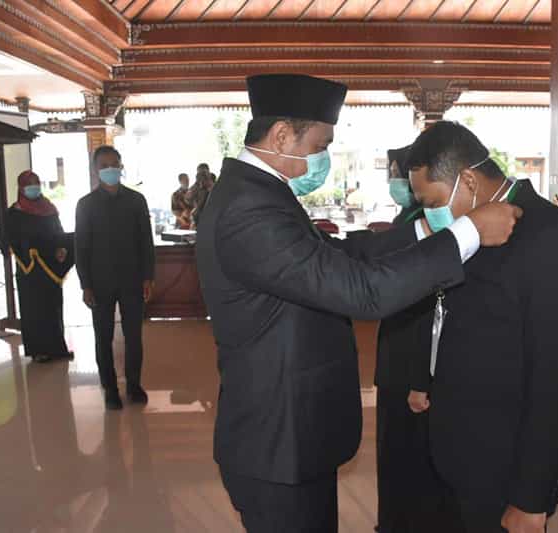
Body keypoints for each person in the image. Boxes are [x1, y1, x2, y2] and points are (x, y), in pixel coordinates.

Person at [196, 74, 522, 533]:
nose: (323, 157)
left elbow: (338, 257)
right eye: (320, 144)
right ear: (282, 136)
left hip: (295, 434)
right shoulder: (248, 209)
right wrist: (466, 233)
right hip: (277, 442)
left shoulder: (261, 194)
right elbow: (362, 291)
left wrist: (424, 230)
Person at [406, 121, 558, 533]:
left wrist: (530, 497)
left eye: (433, 203)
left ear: (468, 181)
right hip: (460, 449)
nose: (430, 215)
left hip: (505, 467)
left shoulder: (552, 240)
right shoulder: (471, 229)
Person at [376, 145, 460, 533]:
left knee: (410, 458)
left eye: (399, 174)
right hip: (396, 359)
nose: (395, 181)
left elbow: (428, 305)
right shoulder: (409, 219)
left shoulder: (431, 223)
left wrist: (418, 379)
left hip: (411, 367)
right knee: (394, 455)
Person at [75, 146, 156, 410]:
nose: (110, 169)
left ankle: (134, 385)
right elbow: (81, 247)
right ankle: (110, 388)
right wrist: (85, 285)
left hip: (132, 280)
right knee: (103, 337)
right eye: (104, 165)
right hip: (100, 283)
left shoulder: (136, 200)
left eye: (115, 164)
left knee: (134, 337)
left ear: (121, 167)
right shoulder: (85, 205)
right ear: (95, 170)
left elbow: (146, 242)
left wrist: (148, 276)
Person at [6, 170, 75, 363]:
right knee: (34, 310)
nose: (33, 187)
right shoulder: (14, 213)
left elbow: (58, 232)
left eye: (36, 182)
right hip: (30, 269)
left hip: (50, 268)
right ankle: (38, 350)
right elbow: (12, 239)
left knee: (53, 308)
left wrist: (62, 247)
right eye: (29, 183)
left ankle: (57, 348)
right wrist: (30, 250)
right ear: (21, 188)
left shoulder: (49, 209)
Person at [188, 163, 216, 228]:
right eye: (200, 173)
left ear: (208, 172)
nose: (202, 175)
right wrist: (198, 183)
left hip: (211, 216)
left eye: (204, 172)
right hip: (198, 217)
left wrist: (209, 181)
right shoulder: (196, 185)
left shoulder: (213, 181)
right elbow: (188, 198)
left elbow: (216, 192)